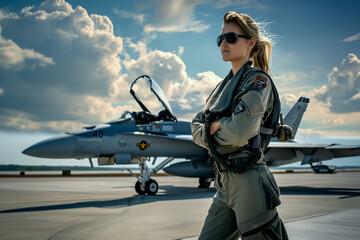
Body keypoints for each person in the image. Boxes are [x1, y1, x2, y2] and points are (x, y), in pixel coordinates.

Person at [191, 12, 289, 239]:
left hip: (249, 183)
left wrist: (210, 128)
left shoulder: (258, 82)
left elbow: (237, 133)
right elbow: (195, 126)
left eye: (231, 38)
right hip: (224, 185)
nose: (223, 43)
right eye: (220, 39)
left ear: (250, 42)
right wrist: (211, 128)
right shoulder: (221, 87)